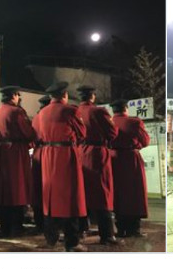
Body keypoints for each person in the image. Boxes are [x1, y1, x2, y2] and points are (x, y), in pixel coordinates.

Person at [35, 81, 87, 251]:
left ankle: (50, 236)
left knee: (49, 196)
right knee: (70, 196)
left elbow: (36, 133)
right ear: (64, 94)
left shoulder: (41, 114)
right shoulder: (69, 110)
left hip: (47, 154)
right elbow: (82, 133)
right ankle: (72, 241)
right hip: (65, 154)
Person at [78, 85, 121, 246]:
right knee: (103, 191)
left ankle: (82, 229)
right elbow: (112, 132)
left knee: (83, 191)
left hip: (80, 151)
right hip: (97, 152)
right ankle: (107, 233)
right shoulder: (98, 111)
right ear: (92, 96)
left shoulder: (75, 111)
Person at [0, 86, 36, 237]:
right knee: (18, 188)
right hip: (16, 151)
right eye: (18, 95)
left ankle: (5, 225)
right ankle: (16, 226)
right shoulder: (17, 111)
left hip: (3, 150)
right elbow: (28, 132)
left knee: (5, 189)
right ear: (13, 96)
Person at [109, 99, 151, 237]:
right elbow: (145, 141)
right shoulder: (134, 122)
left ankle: (120, 228)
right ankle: (134, 228)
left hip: (112, 158)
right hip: (130, 158)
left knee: (117, 192)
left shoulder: (109, 122)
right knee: (134, 192)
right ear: (125, 109)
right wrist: (136, 144)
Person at [31, 95, 51, 232]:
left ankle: (39, 222)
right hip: (48, 152)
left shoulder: (36, 117)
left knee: (38, 188)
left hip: (38, 152)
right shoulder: (49, 115)